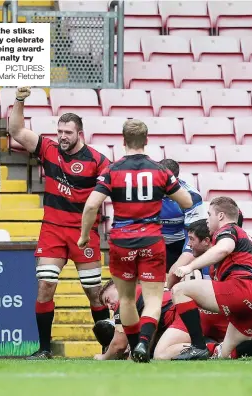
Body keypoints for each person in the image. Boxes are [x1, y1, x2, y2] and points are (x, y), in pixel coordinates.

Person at [78, 119, 193, 362]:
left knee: (127, 299)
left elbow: (91, 206)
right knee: (152, 298)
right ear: (147, 140)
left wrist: (84, 235)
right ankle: (143, 344)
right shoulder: (161, 170)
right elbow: (187, 202)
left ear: (123, 141)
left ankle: (133, 346)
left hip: (121, 241)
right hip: (151, 239)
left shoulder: (112, 170)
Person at [9, 87, 110, 360]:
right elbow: (16, 131)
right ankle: (44, 349)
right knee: (45, 285)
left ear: (80, 134)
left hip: (84, 233)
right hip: (52, 230)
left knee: (94, 293)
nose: (63, 137)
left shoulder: (99, 161)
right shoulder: (49, 149)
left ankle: (108, 348)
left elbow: (114, 188)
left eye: (68, 132)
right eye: (60, 131)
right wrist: (19, 100)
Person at [172, 196, 252, 360]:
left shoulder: (228, 230)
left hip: (240, 289)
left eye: (209, 215)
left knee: (179, 290)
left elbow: (224, 249)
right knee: (224, 354)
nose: (207, 220)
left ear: (221, 216)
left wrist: (190, 267)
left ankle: (198, 346)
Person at [153, 220, 229, 360]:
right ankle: (215, 348)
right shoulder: (204, 258)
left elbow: (173, 276)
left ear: (206, 241)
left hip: (225, 315)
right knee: (160, 354)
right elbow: (173, 275)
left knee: (180, 290)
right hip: (208, 315)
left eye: (192, 239)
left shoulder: (228, 257)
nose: (188, 244)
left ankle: (212, 347)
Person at [93, 280, 175, 360]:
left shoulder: (125, 300)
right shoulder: (143, 290)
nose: (109, 307)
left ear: (117, 287)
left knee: (160, 354)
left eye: (107, 300)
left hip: (176, 317)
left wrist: (104, 357)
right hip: (179, 314)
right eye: (106, 305)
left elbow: (119, 345)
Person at [158, 159, 207, 274]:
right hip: (153, 241)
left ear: (175, 180)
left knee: (177, 274)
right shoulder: (143, 192)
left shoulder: (192, 197)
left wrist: (177, 268)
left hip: (180, 243)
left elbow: (194, 236)